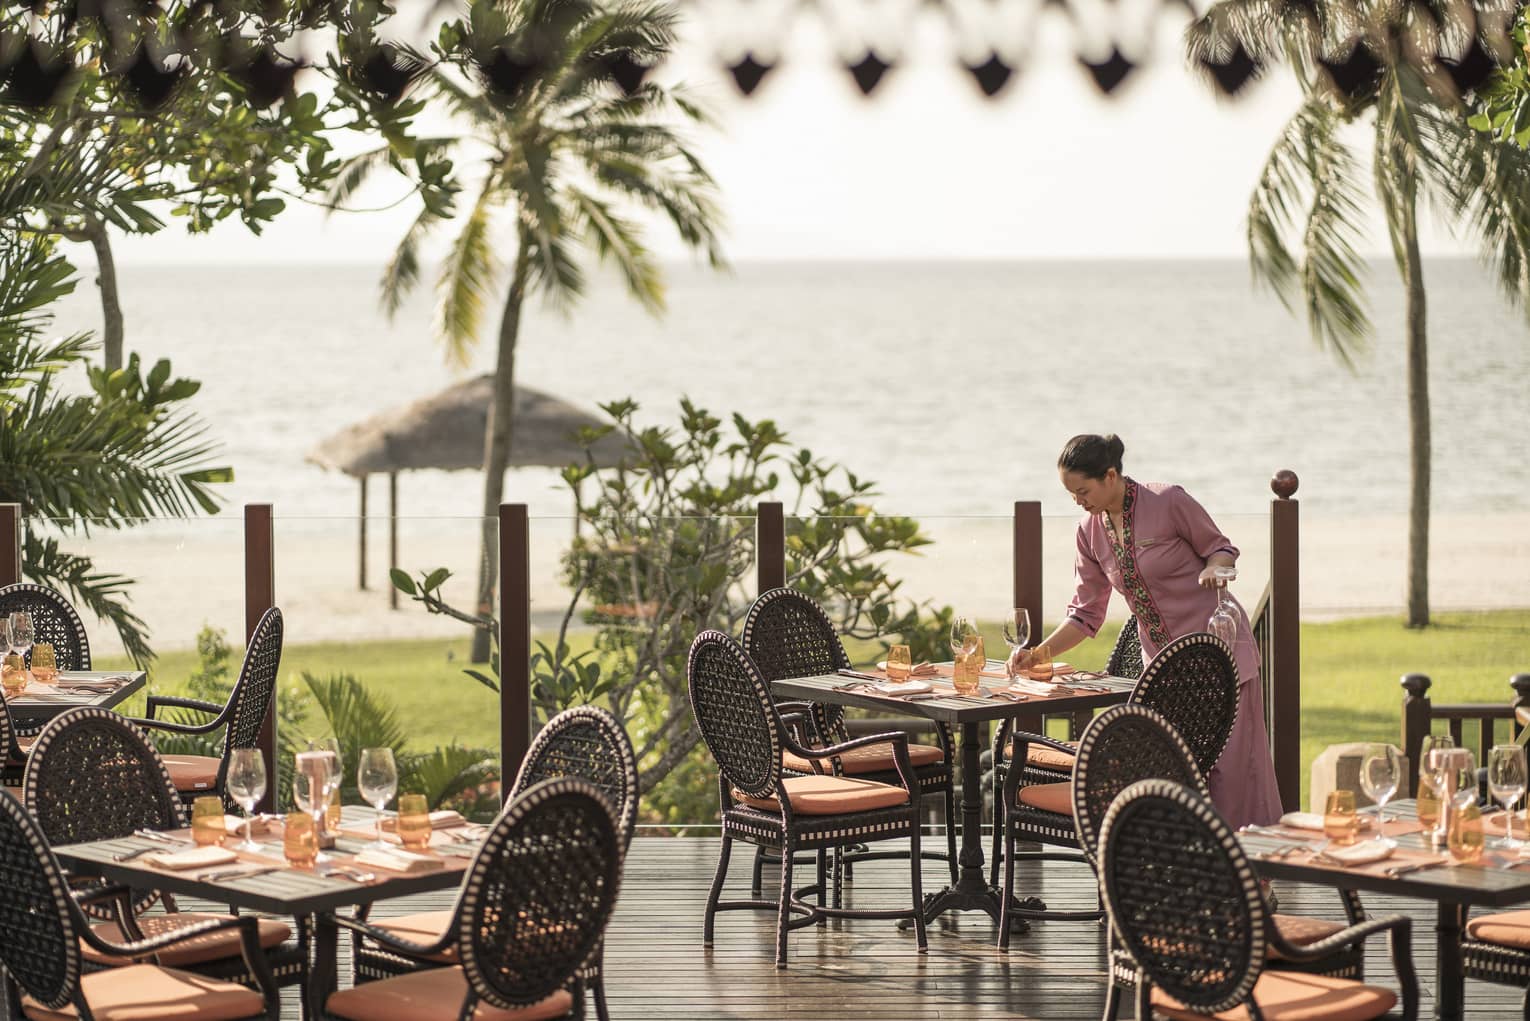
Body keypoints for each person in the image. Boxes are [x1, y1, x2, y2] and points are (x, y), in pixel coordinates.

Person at [1008, 433, 1282, 830]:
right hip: (1164, 672)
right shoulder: (1089, 532)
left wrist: (1214, 569)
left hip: (1220, 654)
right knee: (1173, 772)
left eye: (1083, 491)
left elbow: (1221, 548)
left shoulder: (1168, 501)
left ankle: (1253, 876)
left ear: (1110, 475)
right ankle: (1186, 870)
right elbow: (1086, 613)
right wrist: (1039, 653)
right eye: (1071, 495)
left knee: (1234, 771)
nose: (1078, 501)